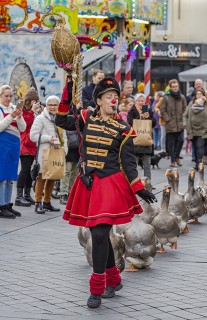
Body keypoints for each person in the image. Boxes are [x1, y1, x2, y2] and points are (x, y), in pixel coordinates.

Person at [55, 77, 156, 309]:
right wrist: (66, 95)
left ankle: (96, 289)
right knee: (100, 235)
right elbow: (61, 120)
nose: (114, 99)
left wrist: (140, 188)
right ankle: (114, 279)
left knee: (100, 235)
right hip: (88, 185)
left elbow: (129, 163)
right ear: (98, 100)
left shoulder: (124, 129)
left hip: (111, 186)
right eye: (108, 95)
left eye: (116, 95)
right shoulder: (85, 119)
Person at [30, 95, 66, 214]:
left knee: (52, 177)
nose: (53, 107)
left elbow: (63, 137)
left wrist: (64, 150)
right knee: (41, 177)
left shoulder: (60, 118)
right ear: (47, 105)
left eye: (55, 105)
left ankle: (47, 202)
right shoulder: (41, 118)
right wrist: (49, 138)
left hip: (56, 153)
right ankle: (38, 202)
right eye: (50, 105)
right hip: (44, 153)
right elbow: (33, 136)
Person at [0, 85, 26, 218]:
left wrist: (20, 117)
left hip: (14, 146)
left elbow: (23, 128)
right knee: (2, 177)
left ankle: (8, 204)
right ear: (0, 96)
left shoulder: (13, 108)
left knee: (10, 177)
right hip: (2, 145)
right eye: (6, 96)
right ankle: (1, 206)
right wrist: (11, 117)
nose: (9, 98)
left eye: (10, 96)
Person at [15, 87, 42, 207]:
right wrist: (33, 112)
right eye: (34, 101)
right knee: (25, 169)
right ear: (29, 101)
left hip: (33, 144)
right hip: (25, 143)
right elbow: (25, 124)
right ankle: (19, 196)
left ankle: (27, 194)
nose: (35, 103)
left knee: (31, 170)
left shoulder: (35, 111)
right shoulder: (23, 111)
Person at [127, 93, 156, 180]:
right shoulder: (131, 111)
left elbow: (154, 123)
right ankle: (135, 181)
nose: (140, 102)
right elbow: (130, 121)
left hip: (146, 139)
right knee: (134, 162)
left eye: (142, 101)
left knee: (147, 163)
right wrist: (139, 117)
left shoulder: (147, 109)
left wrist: (148, 118)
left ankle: (148, 182)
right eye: (139, 101)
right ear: (135, 101)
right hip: (135, 140)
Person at [183, 88, 207, 171]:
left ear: (203, 95)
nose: (199, 95)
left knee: (200, 146)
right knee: (195, 147)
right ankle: (197, 163)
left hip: (203, 130)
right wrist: (185, 125)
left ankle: (200, 163)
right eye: (197, 94)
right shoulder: (191, 103)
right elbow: (185, 115)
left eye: (200, 94)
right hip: (192, 129)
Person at [160, 79, 187, 167]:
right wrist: (168, 119)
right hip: (170, 123)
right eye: (173, 87)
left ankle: (176, 156)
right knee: (171, 143)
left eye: (176, 86)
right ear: (170, 87)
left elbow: (185, 109)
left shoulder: (182, 97)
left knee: (181, 140)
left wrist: (183, 118)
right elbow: (162, 109)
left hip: (180, 123)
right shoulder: (166, 97)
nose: (175, 88)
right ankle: (172, 160)